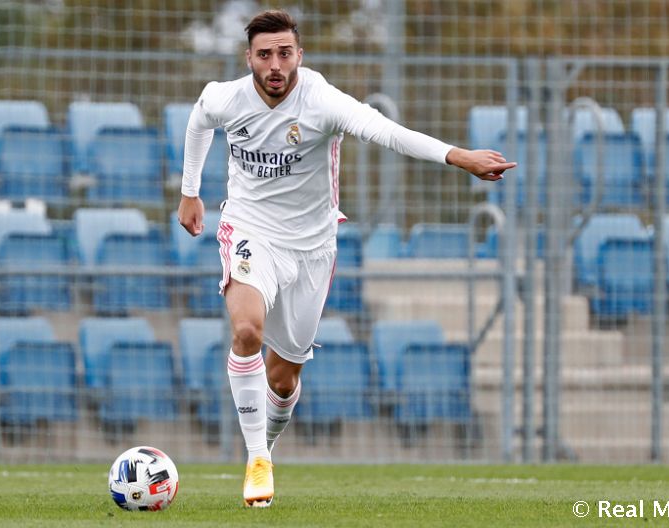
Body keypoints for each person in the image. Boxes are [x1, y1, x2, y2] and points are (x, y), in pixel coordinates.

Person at [176, 9, 515, 508]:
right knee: (246, 330)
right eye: (264, 54)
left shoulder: (322, 101)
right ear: (248, 57)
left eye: (284, 53)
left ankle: (263, 447)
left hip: (313, 247)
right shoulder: (226, 97)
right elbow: (199, 119)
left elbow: (387, 132)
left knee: (284, 376)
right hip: (249, 230)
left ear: (300, 56)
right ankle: (256, 459)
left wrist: (457, 155)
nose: (275, 64)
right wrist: (190, 192)